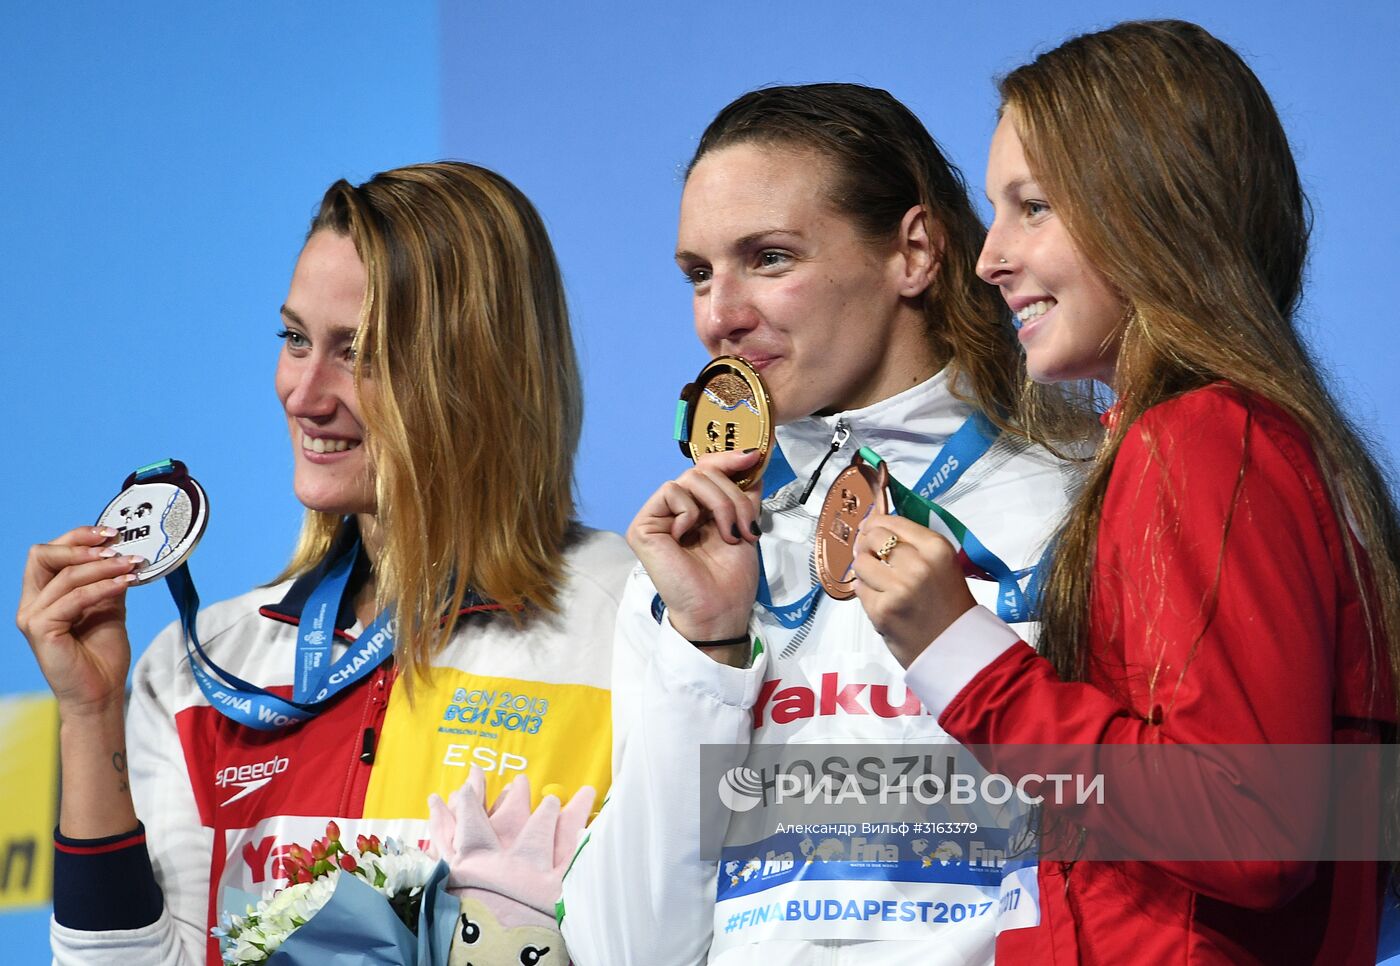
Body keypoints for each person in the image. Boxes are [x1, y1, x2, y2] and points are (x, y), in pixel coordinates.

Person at [870, 20, 1400, 964]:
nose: (989, 259)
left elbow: (1249, 828)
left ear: (1156, 207)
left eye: (1031, 206)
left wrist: (960, 655)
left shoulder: (1205, 439)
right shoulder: (1254, 442)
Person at [18, 162, 634, 965]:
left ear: (478, 369)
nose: (304, 394)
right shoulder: (202, 668)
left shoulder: (633, 627)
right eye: (296, 339)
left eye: (363, 352)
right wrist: (89, 715)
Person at [559, 83, 1089, 965]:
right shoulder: (696, 559)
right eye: (698, 273)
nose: (716, 315)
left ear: (913, 252)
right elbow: (627, 948)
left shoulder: (1069, 508)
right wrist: (710, 651)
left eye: (768, 258)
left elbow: (1192, 839)